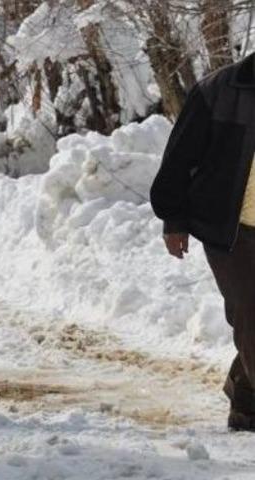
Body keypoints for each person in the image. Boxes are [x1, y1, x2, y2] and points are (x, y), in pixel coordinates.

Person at [150, 52, 255, 431]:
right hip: (232, 227)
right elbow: (180, 157)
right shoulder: (220, 90)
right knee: (252, 313)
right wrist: (173, 218)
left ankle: (245, 399)